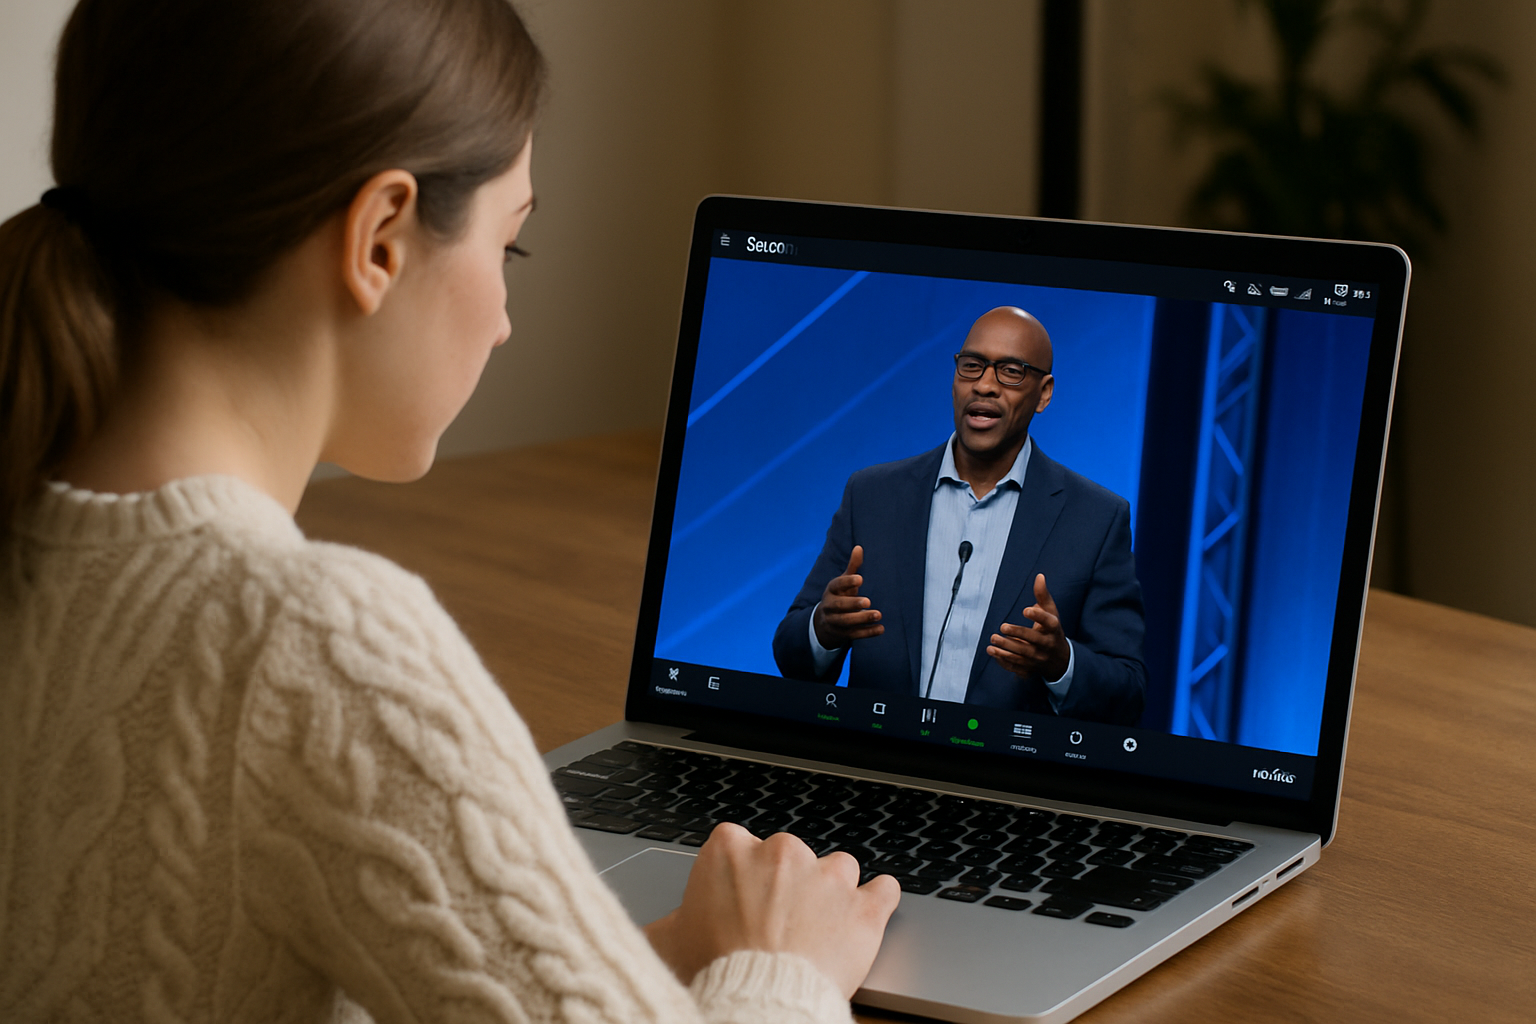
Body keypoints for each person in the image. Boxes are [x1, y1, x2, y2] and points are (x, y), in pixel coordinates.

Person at [0, 2, 898, 1022]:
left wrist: (649, 960)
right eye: (510, 245)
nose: (505, 322)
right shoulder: (316, 641)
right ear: (379, 238)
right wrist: (783, 967)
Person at [772, 306, 1146, 726]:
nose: (984, 385)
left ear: (1044, 394)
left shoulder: (1096, 518)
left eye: (1011, 372)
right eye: (971, 366)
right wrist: (823, 627)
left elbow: (1128, 692)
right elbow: (790, 652)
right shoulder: (873, 495)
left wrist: (1061, 662)